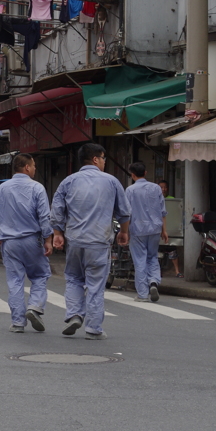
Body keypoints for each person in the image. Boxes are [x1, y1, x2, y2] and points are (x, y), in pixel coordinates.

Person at [50, 143, 131, 340]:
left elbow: (57, 210)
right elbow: (124, 212)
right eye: (103, 158)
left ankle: (75, 314)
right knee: (95, 285)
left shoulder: (68, 182)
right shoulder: (111, 181)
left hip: (75, 241)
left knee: (73, 278)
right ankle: (94, 328)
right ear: (95, 159)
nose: (104, 162)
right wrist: (124, 233)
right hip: (99, 241)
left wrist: (57, 233)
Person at [0, 153, 54, 333]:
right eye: (33, 166)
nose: (35, 169)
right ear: (27, 167)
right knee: (40, 276)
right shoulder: (37, 188)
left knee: (15, 281)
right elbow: (44, 217)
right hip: (32, 240)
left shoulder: (3, 188)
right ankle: (34, 306)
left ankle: (18, 322)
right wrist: (48, 239)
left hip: (9, 242)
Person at [126, 162, 167, 303]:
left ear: (132, 175)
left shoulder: (130, 190)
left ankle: (143, 294)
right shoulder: (156, 188)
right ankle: (154, 281)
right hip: (155, 228)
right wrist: (164, 230)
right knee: (152, 257)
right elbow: (162, 211)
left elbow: (127, 213)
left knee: (140, 261)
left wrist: (124, 232)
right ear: (145, 172)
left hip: (137, 229)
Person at [158, 180, 182, 277]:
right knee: (157, 252)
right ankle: (158, 272)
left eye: (165, 187)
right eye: (161, 187)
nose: (163, 189)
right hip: (158, 230)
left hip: (169, 229)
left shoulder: (172, 200)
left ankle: (177, 271)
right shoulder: (155, 199)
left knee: (173, 250)